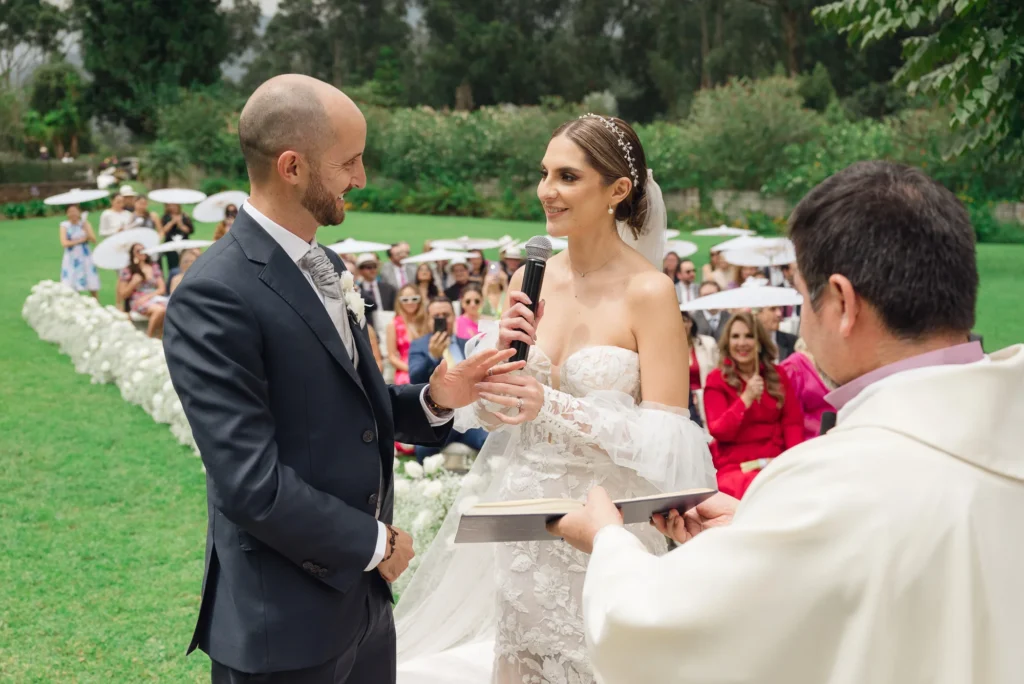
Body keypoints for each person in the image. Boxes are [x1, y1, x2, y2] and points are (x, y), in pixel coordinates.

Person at [550, 160, 1024, 684]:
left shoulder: (832, 483)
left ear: (841, 303)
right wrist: (757, 528)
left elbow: (652, 629)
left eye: (803, 295)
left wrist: (610, 543)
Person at [162, 74, 520, 684]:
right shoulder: (213, 296)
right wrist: (376, 544)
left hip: (363, 611)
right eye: (349, 161)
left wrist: (435, 398)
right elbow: (252, 484)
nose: (361, 177)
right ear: (293, 166)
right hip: (281, 623)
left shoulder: (326, 263)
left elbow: (345, 407)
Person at [395, 114, 714, 683]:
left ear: (618, 190)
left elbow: (670, 445)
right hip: (524, 523)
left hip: (607, 531)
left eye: (567, 176)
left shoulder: (651, 292)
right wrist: (498, 367)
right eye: (544, 173)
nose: (546, 190)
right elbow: (498, 415)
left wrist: (555, 404)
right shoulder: (528, 281)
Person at [702, 312, 804, 498]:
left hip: (775, 460)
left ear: (759, 342)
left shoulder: (777, 375)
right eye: (735, 336)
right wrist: (745, 399)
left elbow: (792, 423)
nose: (742, 343)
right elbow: (718, 430)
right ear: (727, 342)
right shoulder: (716, 379)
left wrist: (793, 461)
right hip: (735, 467)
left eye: (749, 336)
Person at [406, 296, 487, 463]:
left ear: (454, 317)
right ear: (428, 319)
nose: (442, 319)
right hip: (439, 418)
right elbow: (415, 379)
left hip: (469, 417)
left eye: (446, 315)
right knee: (423, 451)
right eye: (436, 316)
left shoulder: (469, 344)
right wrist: (433, 357)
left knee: (489, 442)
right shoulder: (419, 345)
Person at [778, 337, 831, 440]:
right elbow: (789, 416)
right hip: (808, 442)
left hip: (834, 436)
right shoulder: (793, 366)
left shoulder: (831, 363)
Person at [118, 243, 167, 338]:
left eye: (143, 249)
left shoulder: (153, 267)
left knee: (171, 309)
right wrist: (133, 283)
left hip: (153, 297)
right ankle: (149, 336)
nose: (142, 252)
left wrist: (148, 296)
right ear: (133, 254)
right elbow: (123, 294)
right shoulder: (128, 270)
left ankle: (160, 337)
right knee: (160, 311)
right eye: (138, 251)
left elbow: (162, 288)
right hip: (138, 300)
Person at [681, 310, 719, 428]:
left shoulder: (708, 343)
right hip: (683, 405)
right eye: (677, 321)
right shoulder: (667, 349)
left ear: (691, 322)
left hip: (707, 399)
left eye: (684, 320)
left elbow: (718, 373)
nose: (681, 325)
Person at [387, 285, 428, 386]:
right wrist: (412, 369)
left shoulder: (427, 322)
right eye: (405, 299)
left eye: (414, 299)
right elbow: (392, 357)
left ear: (420, 300)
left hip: (427, 365)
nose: (410, 302)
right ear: (399, 302)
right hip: (405, 369)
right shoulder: (393, 325)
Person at [59, 204, 100, 298]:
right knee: (72, 278)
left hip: (85, 254)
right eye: (70, 212)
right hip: (72, 256)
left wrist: (86, 229)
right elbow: (64, 243)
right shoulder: (64, 225)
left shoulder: (84, 224)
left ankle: (95, 301)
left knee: (90, 278)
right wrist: (80, 240)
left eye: (75, 211)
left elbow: (93, 239)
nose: (73, 214)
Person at [160, 203, 195, 273]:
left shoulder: (185, 216)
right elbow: (163, 231)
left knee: (186, 261)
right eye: (171, 205)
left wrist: (180, 224)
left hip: (184, 244)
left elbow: (190, 230)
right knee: (172, 265)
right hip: (170, 245)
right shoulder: (165, 217)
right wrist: (172, 222)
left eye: (175, 205)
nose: (173, 207)